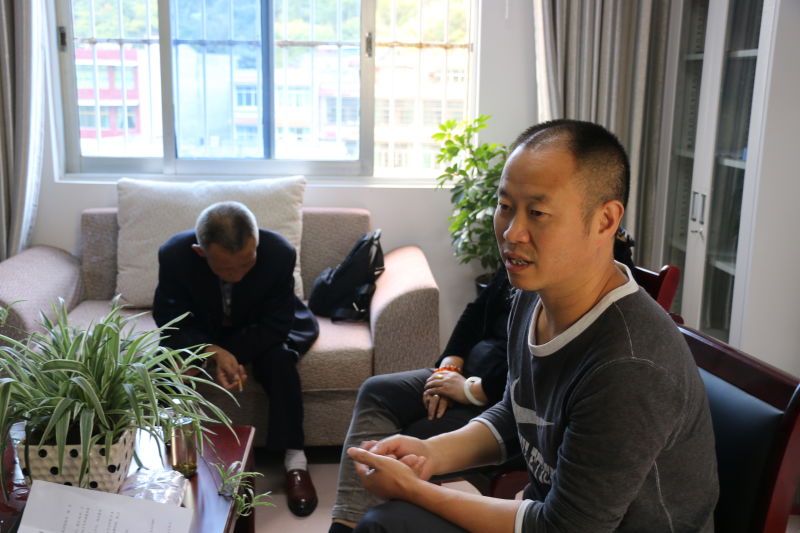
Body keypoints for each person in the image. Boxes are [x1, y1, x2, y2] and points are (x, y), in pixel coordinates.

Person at [344, 119, 719, 532]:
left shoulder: (629, 366)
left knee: (387, 523)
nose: (512, 232)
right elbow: (517, 412)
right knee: (386, 521)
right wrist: (429, 454)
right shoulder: (531, 295)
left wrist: (415, 489)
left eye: (537, 213)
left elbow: (562, 528)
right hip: (552, 515)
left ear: (605, 221)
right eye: (505, 206)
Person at [152, 201, 321, 517]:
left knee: (281, 361)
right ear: (200, 253)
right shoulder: (174, 255)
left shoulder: (279, 253)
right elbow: (169, 318)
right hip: (203, 329)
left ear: (256, 243)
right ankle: (162, 461)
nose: (239, 275)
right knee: (165, 365)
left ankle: (295, 461)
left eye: (248, 262)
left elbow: (276, 324)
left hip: (259, 327)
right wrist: (208, 351)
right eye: (226, 269)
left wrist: (231, 355)